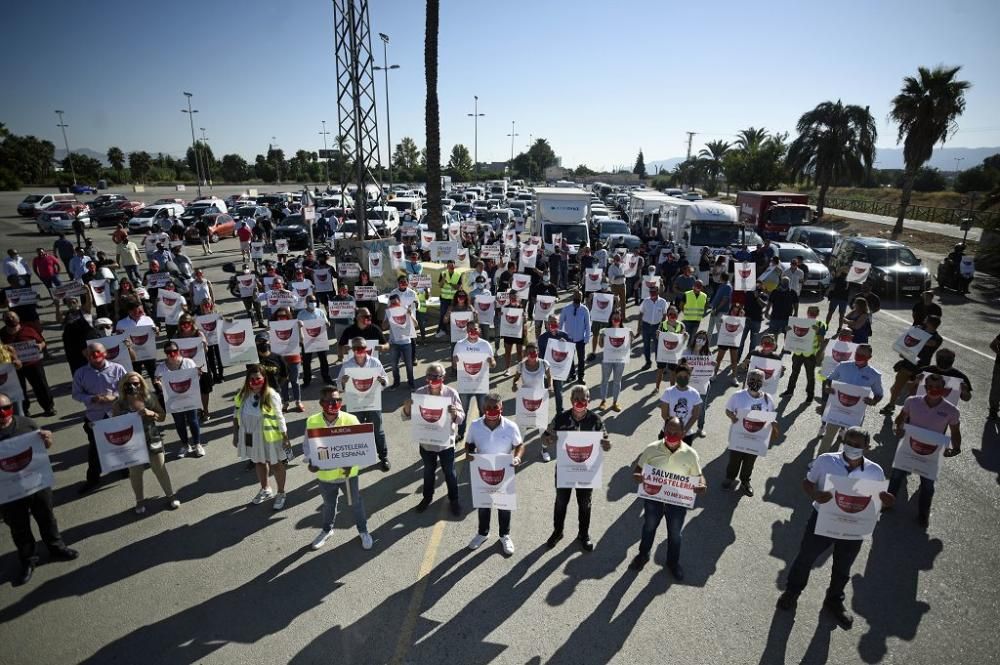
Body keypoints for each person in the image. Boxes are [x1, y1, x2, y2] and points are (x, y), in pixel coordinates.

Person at [776, 427, 895, 629]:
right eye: (849, 442)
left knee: (843, 566)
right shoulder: (825, 460)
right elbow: (807, 482)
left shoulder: (875, 472)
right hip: (824, 519)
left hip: (854, 527)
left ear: (868, 446)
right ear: (842, 441)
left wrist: (887, 502)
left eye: (858, 445)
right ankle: (792, 592)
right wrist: (814, 494)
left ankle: (834, 600)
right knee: (805, 557)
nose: (852, 447)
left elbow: (877, 502)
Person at [0, 394, 77, 585]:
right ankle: (28, 560)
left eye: (7, 407)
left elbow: (45, 446)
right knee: (19, 527)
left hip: (37, 484)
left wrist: (48, 439)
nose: (3, 413)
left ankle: (56, 547)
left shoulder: (26, 424)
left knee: (46, 517)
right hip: (9, 492)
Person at [628, 417, 707, 577]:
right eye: (668, 431)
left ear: (683, 433)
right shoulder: (651, 449)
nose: (671, 434)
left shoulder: (691, 454)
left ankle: (673, 563)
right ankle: (643, 555)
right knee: (649, 527)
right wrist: (637, 475)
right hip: (653, 499)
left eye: (675, 432)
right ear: (664, 430)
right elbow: (639, 467)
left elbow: (699, 476)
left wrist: (702, 485)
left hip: (677, 502)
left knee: (675, 534)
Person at [541, 385, 612, 551]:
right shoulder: (561, 418)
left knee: (585, 504)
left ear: (588, 400)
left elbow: (606, 442)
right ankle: (558, 532)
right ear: (571, 400)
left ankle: (583, 535)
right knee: (560, 502)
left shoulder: (596, 420)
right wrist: (549, 440)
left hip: (587, 472)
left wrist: (607, 444)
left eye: (583, 398)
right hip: (566, 469)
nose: (580, 402)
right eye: (576, 399)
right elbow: (545, 439)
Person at [887, 373, 962, 528]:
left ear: (943, 389)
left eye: (937, 387)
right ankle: (887, 503)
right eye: (929, 387)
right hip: (908, 447)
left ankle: (923, 515)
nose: (933, 390)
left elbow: (955, 432)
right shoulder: (912, 401)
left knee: (928, 486)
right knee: (895, 477)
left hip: (932, 453)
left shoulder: (952, 410)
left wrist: (956, 448)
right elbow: (900, 418)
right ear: (925, 387)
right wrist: (897, 428)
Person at [306, 387, 373, 551]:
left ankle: (363, 531)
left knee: (355, 503)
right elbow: (308, 446)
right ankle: (327, 530)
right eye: (330, 401)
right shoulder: (312, 421)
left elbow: (362, 445)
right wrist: (311, 462)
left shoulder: (351, 419)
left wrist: (355, 460)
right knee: (329, 505)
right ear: (321, 403)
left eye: (337, 400)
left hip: (348, 475)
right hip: (326, 476)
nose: (334, 403)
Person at [111, 373, 180, 514]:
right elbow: (114, 425)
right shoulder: (118, 404)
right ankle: (140, 501)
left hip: (152, 437)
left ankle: (171, 495)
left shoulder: (149, 397)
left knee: (160, 468)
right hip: (131, 443)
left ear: (141, 384)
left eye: (136, 383)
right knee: (135, 473)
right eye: (128, 384)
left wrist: (151, 413)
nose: (132, 386)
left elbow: (162, 417)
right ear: (123, 386)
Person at [465, 392, 525, 555]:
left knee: (504, 506)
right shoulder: (475, 425)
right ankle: (482, 533)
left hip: (503, 471)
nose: (492, 410)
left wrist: (517, 458)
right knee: (483, 505)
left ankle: (505, 535)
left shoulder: (511, 427)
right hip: (482, 471)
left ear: (501, 408)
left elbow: (519, 445)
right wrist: (468, 454)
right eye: (489, 407)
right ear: (483, 408)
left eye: (495, 407)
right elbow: (469, 443)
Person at [403, 363, 465, 515]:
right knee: (428, 472)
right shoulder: (419, 393)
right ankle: (427, 498)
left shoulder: (451, 393)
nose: (432, 379)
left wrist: (454, 413)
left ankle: (454, 499)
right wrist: (406, 407)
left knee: (449, 473)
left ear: (443, 378)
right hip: (427, 443)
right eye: (429, 376)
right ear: (426, 378)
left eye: (436, 376)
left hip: (446, 444)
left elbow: (461, 419)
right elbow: (406, 416)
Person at [232, 365, 292, 508]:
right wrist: (235, 435)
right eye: (251, 379)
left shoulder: (272, 395)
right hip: (249, 435)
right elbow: (235, 414)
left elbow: (279, 417)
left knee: (276, 464)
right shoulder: (242, 394)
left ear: (264, 379)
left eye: (258, 378)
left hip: (270, 436)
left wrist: (285, 437)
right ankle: (266, 489)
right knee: (258, 461)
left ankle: (281, 493)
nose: (254, 381)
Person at [72, 342, 128, 494]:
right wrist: (91, 398)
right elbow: (76, 394)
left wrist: (114, 397)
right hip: (94, 417)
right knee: (95, 450)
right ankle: (93, 479)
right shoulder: (80, 373)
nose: (95, 356)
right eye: (91, 353)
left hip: (116, 413)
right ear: (87, 355)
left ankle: (124, 468)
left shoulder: (118, 369)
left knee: (121, 442)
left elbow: (128, 389)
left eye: (98, 352)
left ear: (105, 353)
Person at [722, 369, 779, 496]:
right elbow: (728, 410)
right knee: (734, 460)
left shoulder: (768, 399)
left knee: (750, 461)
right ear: (747, 380)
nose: (755, 382)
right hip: (739, 436)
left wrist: (774, 426)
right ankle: (730, 478)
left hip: (756, 438)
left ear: (764, 382)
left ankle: (745, 482)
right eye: (752, 379)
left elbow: (770, 417)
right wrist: (732, 417)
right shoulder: (737, 396)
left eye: (759, 380)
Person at [818, 344, 884, 453]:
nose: (859, 356)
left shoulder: (874, 375)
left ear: (870, 357)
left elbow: (879, 394)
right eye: (858, 353)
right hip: (837, 409)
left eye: (863, 354)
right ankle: (819, 461)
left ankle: (846, 464)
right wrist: (827, 388)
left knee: (853, 443)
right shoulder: (843, 366)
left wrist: (874, 401)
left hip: (855, 414)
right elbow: (829, 379)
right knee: (828, 437)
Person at [338, 336, 391, 471]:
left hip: (372, 402)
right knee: (356, 431)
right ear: (352, 350)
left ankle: (383, 457)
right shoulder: (347, 365)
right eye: (356, 348)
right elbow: (338, 386)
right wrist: (342, 383)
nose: (359, 350)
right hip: (355, 404)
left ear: (366, 348)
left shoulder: (375, 362)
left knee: (378, 432)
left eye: (362, 347)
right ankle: (356, 458)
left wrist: (383, 381)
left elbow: (386, 380)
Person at [881, 315, 943, 416]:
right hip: (908, 362)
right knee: (897, 386)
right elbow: (909, 340)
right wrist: (903, 350)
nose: (924, 321)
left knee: (912, 392)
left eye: (926, 320)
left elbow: (928, 342)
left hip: (920, 367)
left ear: (929, 323)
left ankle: (905, 412)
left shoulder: (937, 338)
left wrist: (915, 332)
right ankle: (891, 405)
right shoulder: (919, 330)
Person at [154, 340, 204, 458]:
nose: (172, 353)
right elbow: (158, 383)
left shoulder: (188, 362)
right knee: (179, 423)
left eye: (174, 351)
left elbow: (195, 381)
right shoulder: (161, 368)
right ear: (165, 353)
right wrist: (158, 384)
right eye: (168, 351)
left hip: (189, 398)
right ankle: (185, 445)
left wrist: (198, 375)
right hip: (173, 400)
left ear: (179, 351)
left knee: (193, 420)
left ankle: (197, 444)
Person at [1, 312, 55, 417]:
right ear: (4, 320)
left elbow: (43, 342)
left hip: (33, 363)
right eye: (7, 317)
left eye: (12, 317)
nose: (10, 319)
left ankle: (48, 407)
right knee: (19, 389)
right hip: (13, 367)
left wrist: (40, 346)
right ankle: (24, 411)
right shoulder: (2, 334)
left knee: (41, 386)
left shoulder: (29, 329)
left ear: (18, 319)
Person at [452, 321, 496, 441]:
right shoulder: (459, 345)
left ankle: (483, 432)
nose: (473, 331)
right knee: (463, 411)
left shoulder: (486, 345)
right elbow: (455, 366)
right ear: (466, 330)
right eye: (470, 329)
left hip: (481, 384)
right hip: (465, 385)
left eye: (475, 329)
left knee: (483, 410)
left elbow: (493, 364)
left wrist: (491, 362)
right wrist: (455, 362)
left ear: (479, 330)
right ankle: (460, 433)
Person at [780, 305, 828, 402]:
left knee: (810, 376)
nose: (812, 314)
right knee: (794, 373)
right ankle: (789, 391)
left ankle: (810, 395)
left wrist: (818, 332)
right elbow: (789, 337)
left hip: (810, 355)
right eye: (811, 312)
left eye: (814, 312)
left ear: (818, 314)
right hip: (798, 353)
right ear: (807, 312)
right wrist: (787, 331)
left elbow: (821, 340)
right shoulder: (799, 323)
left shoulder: (821, 324)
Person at [175, 314, 213, 419]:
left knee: (204, 390)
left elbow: (206, 350)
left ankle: (205, 410)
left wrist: (204, 344)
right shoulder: (177, 336)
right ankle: (196, 410)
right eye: (183, 323)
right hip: (185, 367)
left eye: (188, 323)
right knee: (190, 390)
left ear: (192, 323)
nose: (185, 325)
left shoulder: (198, 334)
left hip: (201, 365)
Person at [270, 307, 304, 412]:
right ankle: (285, 401)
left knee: (295, 381)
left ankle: (298, 401)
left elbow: (302, 340)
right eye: (279, 316)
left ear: (288, 316)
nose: (282, 318)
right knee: (283, 382)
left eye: (284, 316)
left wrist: (300, 328)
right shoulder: (273, 327)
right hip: (280, 360)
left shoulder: (294, 325)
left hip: (294, 358)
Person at [658, 364, 703, 445]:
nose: (683, 378)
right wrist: (674, 430)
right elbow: (664, 414)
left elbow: (695, 415)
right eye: (680, 376)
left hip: (686, 434)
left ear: (690, 377)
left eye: (685, 376)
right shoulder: (668, 392)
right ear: (675, 376)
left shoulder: (695, 393)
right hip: (668, 433)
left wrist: (684, 430)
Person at [537, 314, 571, 417]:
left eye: (555, 322)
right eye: (551, 322)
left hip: (558, 370)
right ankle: (539, 414)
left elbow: (569, 355)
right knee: (542, 393)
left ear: (559, 323)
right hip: (545, 370)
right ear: (547, 324)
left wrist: (565, 346)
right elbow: (540, 355)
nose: (553, 324)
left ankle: (560, 413)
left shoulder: (565, 336)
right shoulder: (542, 338)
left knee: (559, 393)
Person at [297, 295, 333, 387]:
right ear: (306, 302)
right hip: (307, 341)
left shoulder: (320, 312)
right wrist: (299, 325)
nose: (313, 302)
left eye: (314, 300)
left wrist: (327, 324)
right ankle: (307, 380)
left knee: (323, 360)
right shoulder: (301, 314)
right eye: (310, 301)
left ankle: (326, 377)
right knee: (306, 361)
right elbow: (297, 327)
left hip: (319, 340)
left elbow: (326, 324)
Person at [597, 312, 629, 411]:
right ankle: (603, 401)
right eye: (614, 318)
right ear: (611, 319)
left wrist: (630, 338)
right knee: (604, 380)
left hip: (620, 360)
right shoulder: (605, 331)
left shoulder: (625, 331)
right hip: (608, 359)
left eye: (618, 318)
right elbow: (601, 346)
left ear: (620, 320)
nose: (616, 320)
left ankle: (615, 402)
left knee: (617, 381)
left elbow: (627, 348)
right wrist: (601, 337)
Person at [559, 290, 591, 384]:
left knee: (581, 359)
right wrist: (559, 335)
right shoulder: (566, 309)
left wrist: (587, 338)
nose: (577, 298)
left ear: (581, 298)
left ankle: (581, 377)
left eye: (579, 297)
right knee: (569, 359)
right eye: (576, 296)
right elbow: (561, 323)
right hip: (569, 338)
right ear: (573, 297)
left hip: (580, 339)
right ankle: (572, 375)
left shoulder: (584, 309)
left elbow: (588, 325)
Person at [654, 305, 687, 392]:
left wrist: (685, 337)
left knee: (673, 372)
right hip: (663, 352)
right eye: (670, 314)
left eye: (674, 314)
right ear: (667, 315)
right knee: (660, 370)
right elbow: (658, 339)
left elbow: (683, 342)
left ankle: (672, 389)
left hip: (674, 353)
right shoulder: (662, 325)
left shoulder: (681, 326)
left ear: (677, 314)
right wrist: (657, 335)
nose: (672, 316)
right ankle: (657, 388)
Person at [713, 303, 745, 387]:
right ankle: (714, 374)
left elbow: (742, 328)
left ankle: (734, 377)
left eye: (736, 311)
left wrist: (741, 317)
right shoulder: (726, 317)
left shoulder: (740, 319)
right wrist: (722, 320)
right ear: (731, 310)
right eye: (733, 310)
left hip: (734, 341)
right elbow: (720, 323)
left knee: (734, 360)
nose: (734, 312)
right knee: (719, 358)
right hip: (724, 340)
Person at [500, 289, 527, 373]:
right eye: (511, 297)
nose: (513, 299)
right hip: (508, 333)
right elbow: (502, 320)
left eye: (515, 297)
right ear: (509, 297)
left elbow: (525, 321)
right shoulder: (505, 308)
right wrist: (501, 316)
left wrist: (525, 318)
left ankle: (520, 369)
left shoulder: (521, 307)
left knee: (519, 352)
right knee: (507, 352)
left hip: (519, 333)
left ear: (518, 297)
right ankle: (507, 369)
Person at [436, 259, 464, 336]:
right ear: (447, 266)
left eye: (452, 265)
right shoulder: (442, 273)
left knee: (454, 314)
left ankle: (453, 330)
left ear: (454, 265)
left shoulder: (458, 274)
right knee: (443, 314)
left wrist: (449, 283)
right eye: (449, 265)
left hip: (454, 299)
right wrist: (444, 279)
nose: (450, 267)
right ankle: (441, 330)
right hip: (444, 298)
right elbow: (440, 285)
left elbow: (459, 287)